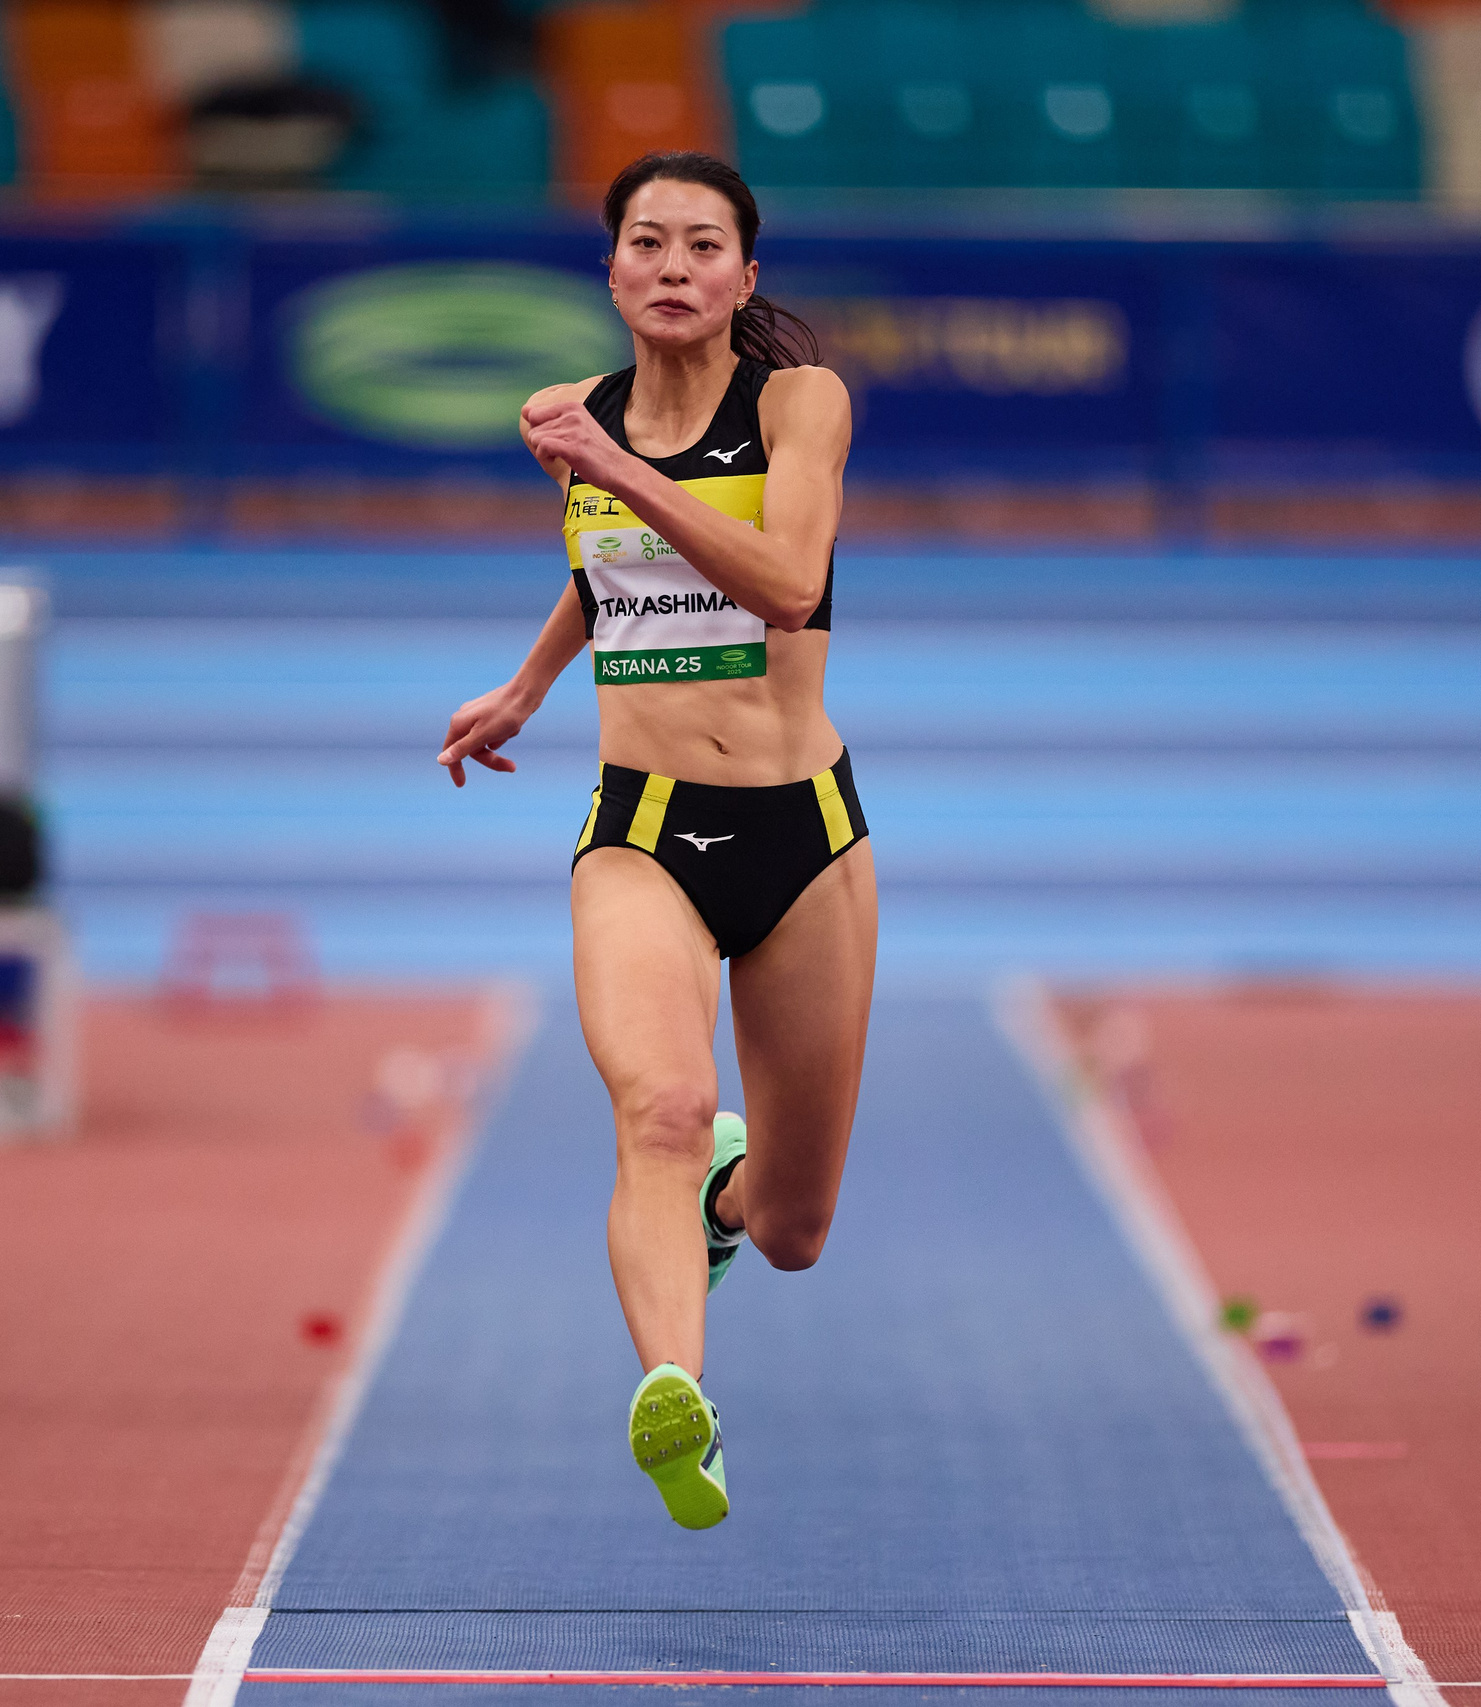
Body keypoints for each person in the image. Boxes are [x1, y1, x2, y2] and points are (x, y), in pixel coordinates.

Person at [438, 151, 873, 1531]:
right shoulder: (586, 421)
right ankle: (676, 1390)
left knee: (796, 1226)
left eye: (702, 245)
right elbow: (606, 563)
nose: (673, 266)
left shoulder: (798, 403)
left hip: (804, 834)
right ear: (612, 272)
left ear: (746, 278)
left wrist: (609, 463)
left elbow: (788, 584)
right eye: (647, 243)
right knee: (662, 1108)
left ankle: (727, 1213)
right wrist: (526, 684)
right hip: (642, 829)